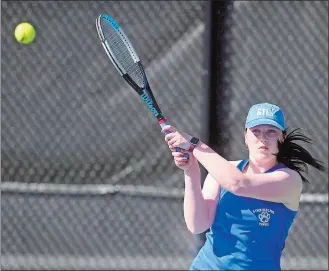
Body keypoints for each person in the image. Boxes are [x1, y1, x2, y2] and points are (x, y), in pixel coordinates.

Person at [162, 102, 326, 271]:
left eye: (271, 131)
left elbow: (238, 184)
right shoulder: (222, 174)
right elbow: (198, 224)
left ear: (282, 138)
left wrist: (194, 144)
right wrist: (191, 171)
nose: (262, 138)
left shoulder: (289, 180)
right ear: (245, 137)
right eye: (256, 131)